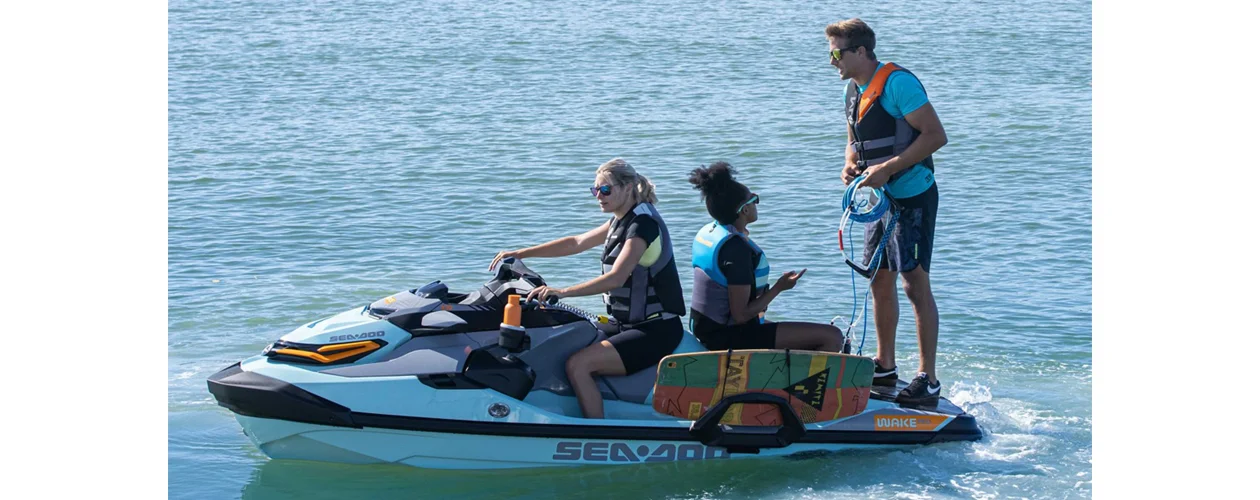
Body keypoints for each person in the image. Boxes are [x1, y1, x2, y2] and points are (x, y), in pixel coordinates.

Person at [489, 158, 686, 418]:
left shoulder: (643, 226)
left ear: (628, 188)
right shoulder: (620, 220)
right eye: (595, 190)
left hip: (656, 330)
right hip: (625, 324)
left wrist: (562, 292)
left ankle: (595, 429)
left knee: (578, 365)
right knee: (567, 334)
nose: (599, 196)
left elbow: (616, 278)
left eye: (605, 190)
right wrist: (521, 253)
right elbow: (576, 242)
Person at [827, 18, 949, 406]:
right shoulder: (852, 90)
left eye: (836, 54)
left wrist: (888, 168)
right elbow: (853, 140)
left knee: (914, 283)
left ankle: (928, 378)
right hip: (878, 200)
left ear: (861, 51)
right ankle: (885, 364)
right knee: (879, 278)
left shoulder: (898, 84)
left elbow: (936, 135)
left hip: (913, 195)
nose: (832, 62)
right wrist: (850, 164)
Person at [687, 162, 843, 353]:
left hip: (707, 329)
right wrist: (779, 287)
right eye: (754, 200)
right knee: (832, 336)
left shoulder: (712, 232)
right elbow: (741, 315)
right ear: (744, 210)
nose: (756, 204)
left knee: (800, 334)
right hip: (726, 337)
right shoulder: (736, 251)